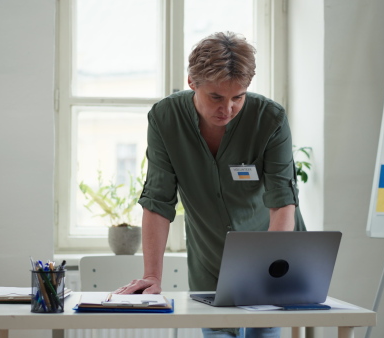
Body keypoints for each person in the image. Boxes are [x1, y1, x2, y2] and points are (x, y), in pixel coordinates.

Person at [114, 31, 306, 338]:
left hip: (273, 258)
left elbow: (282, 200)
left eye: (238, 97)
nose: (227, 108)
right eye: (216, 97)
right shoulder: (166, 118)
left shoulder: (270, 119)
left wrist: (269, 269)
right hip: (210, 264)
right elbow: (158, 201)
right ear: (192, 82)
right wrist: (151, 275)